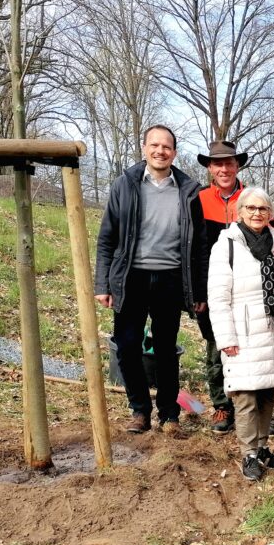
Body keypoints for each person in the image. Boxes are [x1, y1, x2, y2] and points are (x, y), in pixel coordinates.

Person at [94, 124, 207, 435]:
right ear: (144, 148)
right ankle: (139, 410)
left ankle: (169, 415)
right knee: (128, 347)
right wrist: (102, 284)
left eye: (167, 146)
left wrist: (198, 289)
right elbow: (107, 238)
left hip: (171, 279)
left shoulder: (188, 191)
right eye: (154, 145)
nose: (160, 151)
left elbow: (198, 247)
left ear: (174, 152)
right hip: (131, 277)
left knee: (166, 349)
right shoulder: (125, 185)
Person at [207, 187, 274, 481]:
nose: (257, 213)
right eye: (251, 208)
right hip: (243, 333)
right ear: (239, 211)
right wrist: (226, 338)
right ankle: (248, 454)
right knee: (245, 397)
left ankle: (261, 448)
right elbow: (218, 297)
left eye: (263, 209)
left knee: (266, 396)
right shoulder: (227, 246)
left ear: (270, 214)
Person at [195, 140, 248, 435]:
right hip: (212, 289)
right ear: (210, 168)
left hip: (246, 288)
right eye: (218, 164)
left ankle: (249, 404)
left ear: (237, 165)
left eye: (229, 163)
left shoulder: (251, 199)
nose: (224, 169)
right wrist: (197, 294)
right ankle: (221, 405)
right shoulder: (199, 200)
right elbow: (192, 250)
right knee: (217, 347)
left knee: (248, 346)